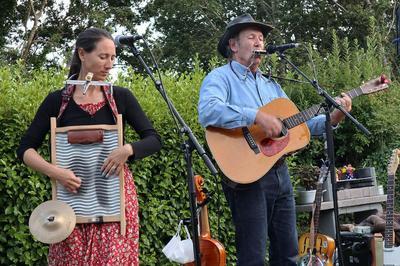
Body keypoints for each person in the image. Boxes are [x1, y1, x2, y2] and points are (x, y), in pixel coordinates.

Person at [198, 14, 352, 265]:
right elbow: (209, 111)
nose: (259, 41)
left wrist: (333, 118)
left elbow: (298, 126)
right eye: (252, 37)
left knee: (288, 253)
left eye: (261, 37)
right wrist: (256, 116)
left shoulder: (272, 86)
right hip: (246, 174)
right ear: (233, 45)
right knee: (253, 257)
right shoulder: (219, 78)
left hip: (279, 173)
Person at [17, 28, 161, 265]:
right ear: (83, 54)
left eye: (113, 58)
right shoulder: (57, 101)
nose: (110, 64)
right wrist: (56, 172)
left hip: (115, 202)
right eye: (103, 57)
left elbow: (154, 139)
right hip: (69, 208)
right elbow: (25, 149)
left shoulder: (121, 97)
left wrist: (127, 150)